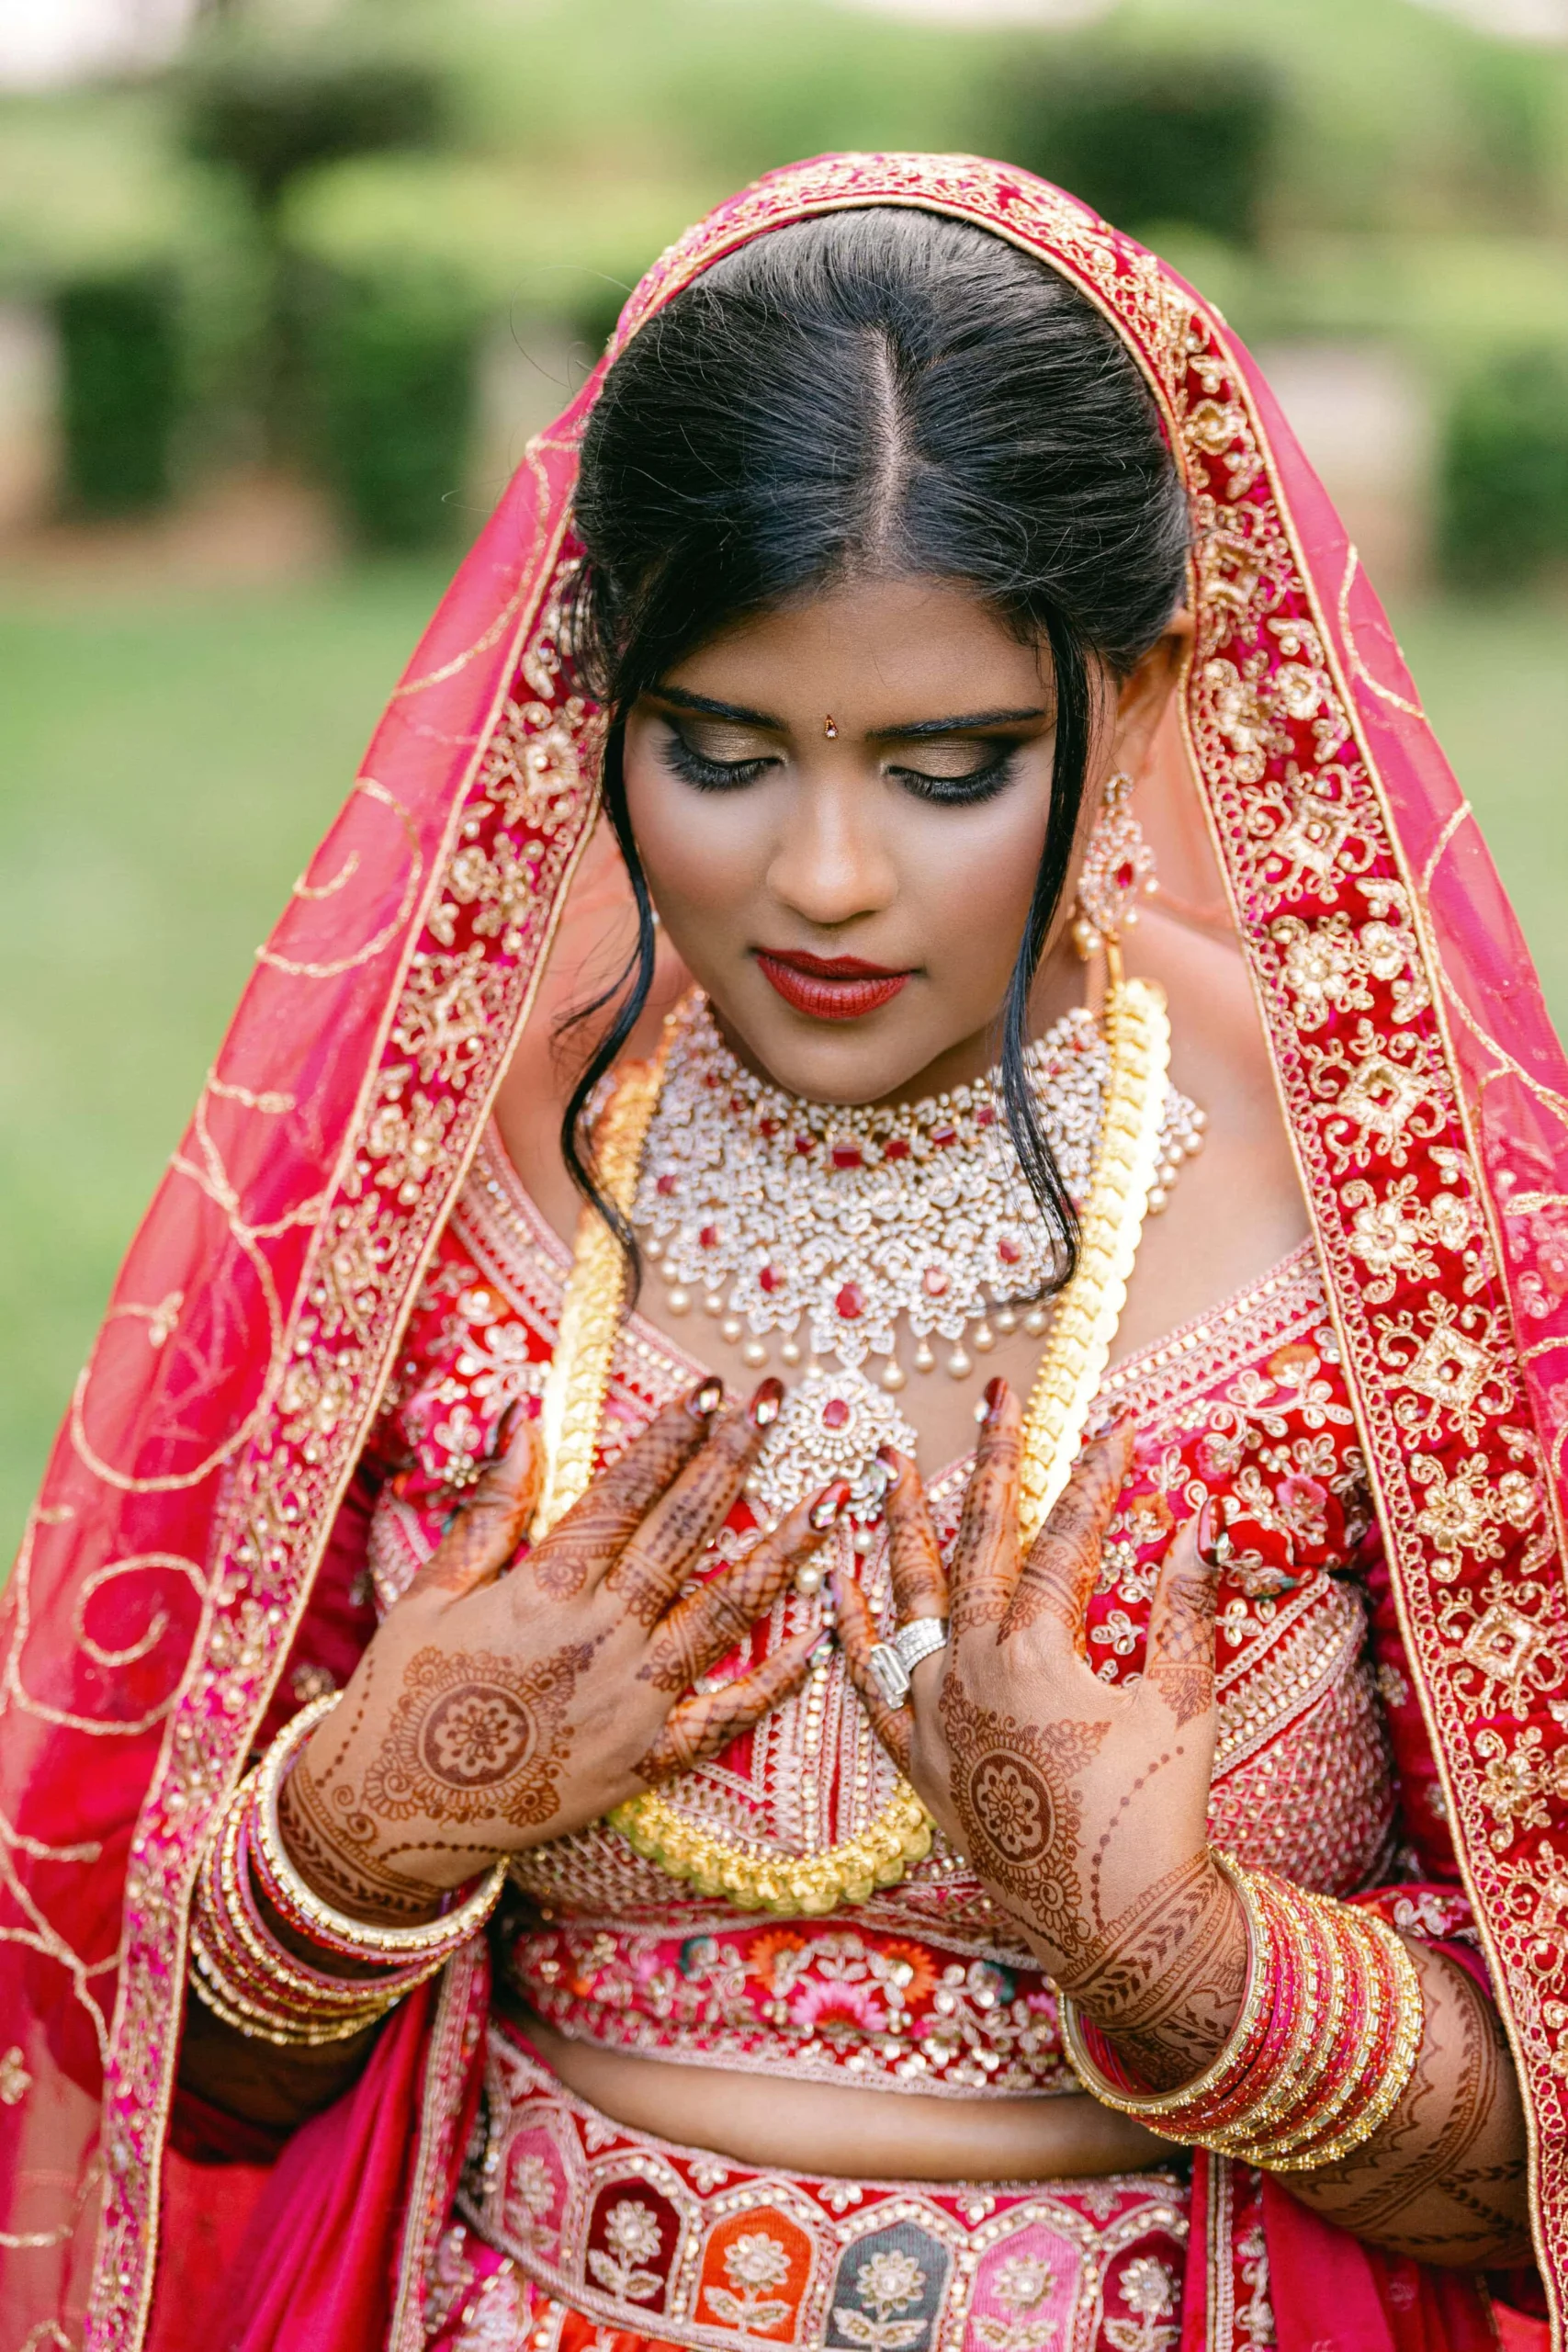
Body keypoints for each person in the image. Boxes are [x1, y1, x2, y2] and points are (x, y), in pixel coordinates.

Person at [1, 153, 1562, 2352]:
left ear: (1144, 688)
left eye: (951, 770)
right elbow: (133, 2067)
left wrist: (1182, 1951)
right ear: (594, 696)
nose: (823, 877)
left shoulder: (1391, 1212)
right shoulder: (437, 1189)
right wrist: (362, 1830)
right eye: (721, 754)